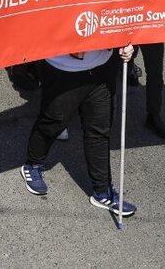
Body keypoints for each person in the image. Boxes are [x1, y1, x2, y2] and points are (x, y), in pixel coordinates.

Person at [20, 45, 138, 219]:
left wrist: (125, 42)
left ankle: (102, 191)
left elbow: (119, 18)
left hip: (102, 67)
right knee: (53, 122)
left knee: (99, 129)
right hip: (62, 69)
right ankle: (33, 164)